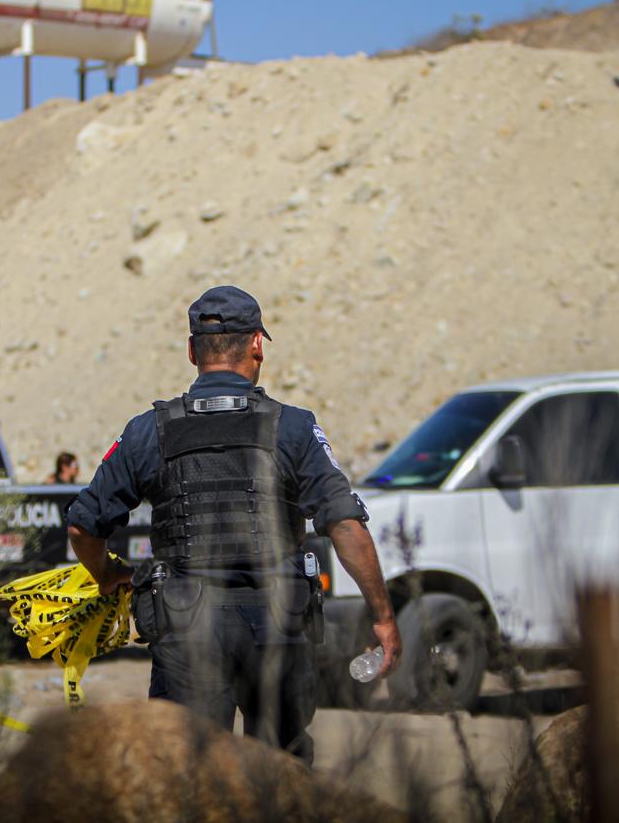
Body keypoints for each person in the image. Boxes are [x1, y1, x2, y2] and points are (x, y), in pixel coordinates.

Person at [66, 286, 401, 764]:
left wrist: (106, 575)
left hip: (186, 626)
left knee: (187, 779)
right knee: (280, 775)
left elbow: (84, 527)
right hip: (278, 624)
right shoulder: (293, 427)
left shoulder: (149, 430)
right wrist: (383, 616)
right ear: (257, 345)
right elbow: (345, 524)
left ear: (191, 351)